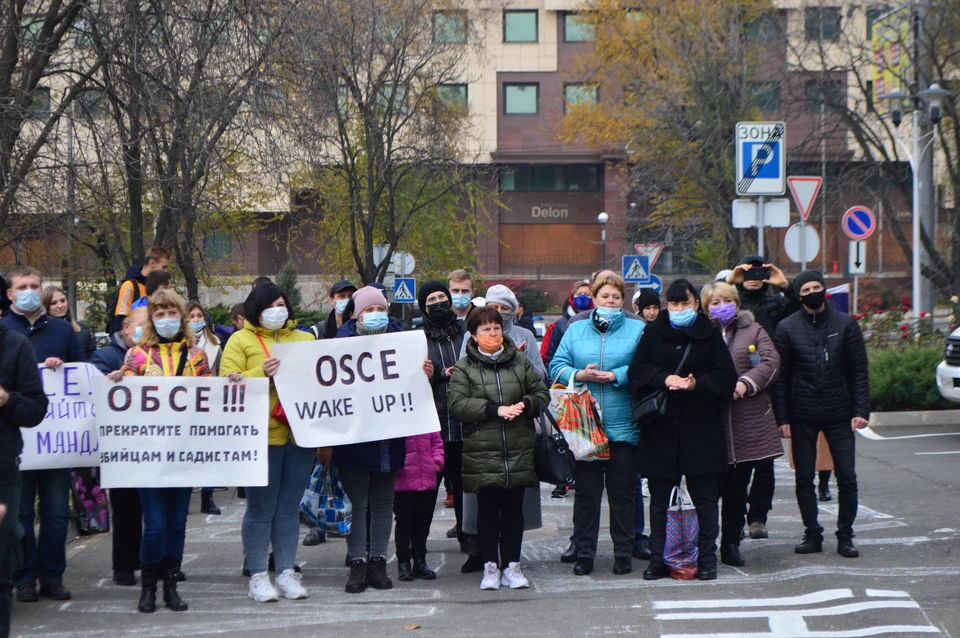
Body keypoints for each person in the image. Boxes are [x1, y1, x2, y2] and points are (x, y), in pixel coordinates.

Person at [316, 286, 432, 594]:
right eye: (369, 310)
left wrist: (425, 372)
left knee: (382, 503)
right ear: (355, 314)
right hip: (353, 439)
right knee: (358, 504)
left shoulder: (403, 341)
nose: (376, 315)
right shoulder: (339, 345)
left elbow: (413, 386)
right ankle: (357, 562)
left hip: (389, 437)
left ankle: (378, 561)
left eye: (380, 309)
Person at [106, 289, 210, 612]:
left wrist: (229, 381)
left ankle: (170, 586)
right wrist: (117, 381)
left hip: (184, 453)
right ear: (152, 318)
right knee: (154, 524)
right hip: (148, 455)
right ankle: (147, 588)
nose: (167, 319)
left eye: (172, 312)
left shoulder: (196, 355)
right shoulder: (135, 356)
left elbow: (211, 397)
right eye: (160, 313)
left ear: (181, 316)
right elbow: (126, 403)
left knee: (177, 523)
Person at [628, 278, 737, 581]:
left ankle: (706, 559)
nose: (678, 309)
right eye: (673, 303)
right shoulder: (653, 331)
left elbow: (727, 377)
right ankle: (657, 559)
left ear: (696, 304)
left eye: (684, 303)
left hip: (701, 425)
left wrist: (696, 384)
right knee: (660, 498)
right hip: (661, 426)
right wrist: (664, 379)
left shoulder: (709, 333)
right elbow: (636, 372)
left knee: (705, 497)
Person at [219, 283, 316, 602]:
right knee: (261, 509)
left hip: (299, 436)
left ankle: (287, 572)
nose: (279, 310)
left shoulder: (305, 339)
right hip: (261, 438)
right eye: (271, 305)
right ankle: (259, 575)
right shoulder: (239, 340)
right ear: (255, 311)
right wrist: (259, 372)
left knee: (289, 509)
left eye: (282, 303)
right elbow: (225, 386)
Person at [550, 272, 645, 576]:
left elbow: (646, 366)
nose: (610, 301)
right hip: (584, 424)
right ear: (594, 298)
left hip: (623, 424)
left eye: (616, 297)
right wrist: (579, 375)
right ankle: (585, 552)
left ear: (623, 300)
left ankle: (622, 553)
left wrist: (619, 375)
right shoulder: (576, 329)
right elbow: (556, 365)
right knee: (588, 494)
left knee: (622, 493)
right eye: (604, 296)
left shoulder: (638, 328)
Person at [448, 306, 549, 591]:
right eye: (486, 329)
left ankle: (513, 566)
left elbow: (541, 393)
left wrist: (526, 404)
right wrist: (495, 410)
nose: (493, 333)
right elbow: (458, 405)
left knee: (514, 511)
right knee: (488, 511)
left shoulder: (518, 360)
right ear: (473, 334)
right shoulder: (465, 366)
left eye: (496, 328)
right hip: (483, 450)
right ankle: (490, 566)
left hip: (518, 447)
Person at [772, 270, 869, 559]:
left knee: (847, 477)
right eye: (806, 289)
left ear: (824, 290)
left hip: (839, 412)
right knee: (804, 478)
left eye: (817, 287)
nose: (812, 292)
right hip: (801, 412)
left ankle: (845, 535)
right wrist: (782, 418)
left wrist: (861, 410)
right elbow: (781, 377)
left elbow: (859, 371)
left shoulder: (846, 324)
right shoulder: (786, 328)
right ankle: (812, 533)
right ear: (799, 295)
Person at [2, 267, 85, 603]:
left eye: (35, 285)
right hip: (16, 444)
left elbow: (84, 374)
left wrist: (63, 368)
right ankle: (24, 577)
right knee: (20, 514)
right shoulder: (4, 332)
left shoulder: (63, 331)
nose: (30, 292)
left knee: (54, 512)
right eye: (22, 287)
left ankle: (52, 576)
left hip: (56, 442)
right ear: (9, 294)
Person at [700, 282, 783, 568]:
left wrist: (745, 383)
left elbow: (770, 362)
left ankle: (731, 544)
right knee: (709, 490)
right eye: (713, 302)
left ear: (736, 302)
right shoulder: (700, 332)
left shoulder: (753, 330)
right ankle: (706, 544)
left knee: (737, 489)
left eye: (725, 300)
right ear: (705, 306)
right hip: (710, 423)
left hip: (745, 422)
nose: (720, 306)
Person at [90, 307, 148, 586]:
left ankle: (155, 560)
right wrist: (110, 380)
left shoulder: (159, 354)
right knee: (126, 508)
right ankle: (124, 565)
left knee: (156, 509)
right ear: (127, 327)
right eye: (142, 324)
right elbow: (94, 392)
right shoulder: (104, 356)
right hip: (122, 446)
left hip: (154, 443)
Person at [0, 312, 48, 634]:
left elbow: (35, 410)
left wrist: (6, 400)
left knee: (0, 568)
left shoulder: (16, 346)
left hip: (1, 474)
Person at [416, 281, 467, 550]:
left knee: (464, 489)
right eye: (431, 299)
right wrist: (435, 374)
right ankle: (418, 548)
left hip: (464, 425)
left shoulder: (465, 331)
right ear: (423, 306)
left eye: (441, 296)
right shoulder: (417, 338)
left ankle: (468, 541)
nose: (438, 302)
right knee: (426, 492)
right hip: (432, 426)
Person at [185, 301, 225, 516]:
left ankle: (207, 497)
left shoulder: (215, 343)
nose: (196, 320)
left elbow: (220, 371)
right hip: (184, 406)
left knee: (207, 452)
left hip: (208, 403)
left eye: (200, 316)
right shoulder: (179, 344)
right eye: (192, 316)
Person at [459, 285, 546, 380]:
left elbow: (541, 376)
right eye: (494, 307)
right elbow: (463, 374)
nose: (499, 312)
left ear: (512, 312)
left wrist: (522, 359)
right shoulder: (471, 336)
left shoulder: (525, 335)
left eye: (505, 308)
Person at [393, 429, 444, 582]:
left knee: (422, 522)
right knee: (404, 522)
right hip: (403, 481)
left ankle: (420, 560)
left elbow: (437, 443)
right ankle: (403, 562)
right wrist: (397, 467)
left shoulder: (426, 420)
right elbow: (393, 446)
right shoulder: (399, 420)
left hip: (426, 479)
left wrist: (436, 463)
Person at [110, 246, 171, 332]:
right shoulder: (129, 286)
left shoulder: (160, 287)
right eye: (164, 267)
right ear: (152, 263)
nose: (165, 271)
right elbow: (119, 321)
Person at [542, 280, 593, 367]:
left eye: (587, 295)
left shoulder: (600, 323)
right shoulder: (558, 325)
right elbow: (549, 357)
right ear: (572, 298)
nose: (582, 297)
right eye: (579, 294)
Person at [42, 286, 96, 358]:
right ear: (46, 306)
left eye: (63, 300)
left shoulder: (83, 329)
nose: (60, 306)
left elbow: (93, 358)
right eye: (53, 303)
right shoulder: (40, 331)